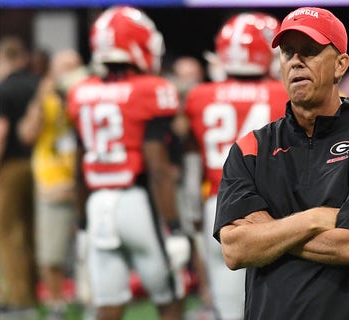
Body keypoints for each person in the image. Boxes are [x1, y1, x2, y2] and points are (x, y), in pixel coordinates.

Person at [213, 7, 349, 320]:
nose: (296, 61)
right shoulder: (250, 149)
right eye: (288, 52)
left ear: (340, 65)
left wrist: (269, 233)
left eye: (310, 51)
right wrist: (315, 219)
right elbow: (235, 250)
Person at [66, 6, 187, 320]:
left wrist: (80, 224)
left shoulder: (81, 92)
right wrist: (173, 228)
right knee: (170, 298)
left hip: (97, 205)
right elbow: (158, 168)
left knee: (108, 304)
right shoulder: (151, 90)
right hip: (138, 203)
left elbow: (78, 169)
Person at [183, 12, 287, 320]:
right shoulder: (284, 95)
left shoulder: (198, 96)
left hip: (218, 206)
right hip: (273, 207)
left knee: (229, 312)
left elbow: (192, 161)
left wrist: (192, 213)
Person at [18, 49, 88, 319]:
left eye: (74, 66)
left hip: (85, 183)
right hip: (52, 183)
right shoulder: (44, 99)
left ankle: (91, 299)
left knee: (91, 248)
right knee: (52, 252)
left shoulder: (89, 96)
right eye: (64, 66)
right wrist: (41, 96)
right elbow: (27, 134)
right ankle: (57, 304)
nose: (69, 72)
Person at [0, 35, 39, 319]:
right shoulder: (37, 85)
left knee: (6, 231)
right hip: (39, 165)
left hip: (10, 165)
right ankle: (36, 291)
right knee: (31, 230)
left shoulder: (3, 89)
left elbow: (0, 132)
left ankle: (17, 296)